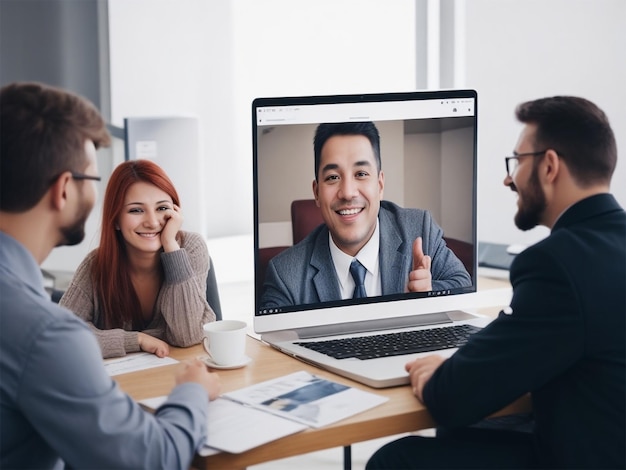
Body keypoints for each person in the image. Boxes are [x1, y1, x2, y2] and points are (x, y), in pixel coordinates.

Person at [366, 96, 626, 469]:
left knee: (398, 459)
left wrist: (442, 372)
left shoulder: (556, 265)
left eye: (518, 162)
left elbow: (452, 397)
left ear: (550, 166)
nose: (509, 178)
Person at [0, 82, 221, 469]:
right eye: (91, 178)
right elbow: (152, 459)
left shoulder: (24, 311)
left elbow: (188, 334)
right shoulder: (44, 332)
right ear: (64, 189)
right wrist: (191, 394)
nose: (152, 221)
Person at [261, 121, 471, 308]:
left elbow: (463, 285)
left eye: (361, 174)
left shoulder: (419, 229)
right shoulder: (284, 275)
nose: (348, 192)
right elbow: (271, 344)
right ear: (316, 192)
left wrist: (429, 291)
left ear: (379, 185)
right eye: (333, 177)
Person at [60, 159, 216, 359]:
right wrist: (137, 340)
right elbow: (62, 336)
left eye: (162, 208)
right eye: (136, 210)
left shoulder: (190, 248)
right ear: (115, 219)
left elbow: (187, 336)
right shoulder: (96, 264)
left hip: (180, 373)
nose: (152, 222)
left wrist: (171, 246)